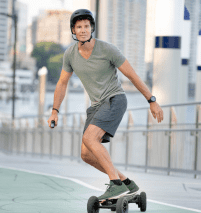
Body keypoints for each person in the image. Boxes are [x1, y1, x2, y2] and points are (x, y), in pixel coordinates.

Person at [47, 9, 164, 202]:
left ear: (91, 28)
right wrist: (54, 111)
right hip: (96, 106)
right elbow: (62, 83)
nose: (83, 30)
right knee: (86, 154)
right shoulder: (70, 54)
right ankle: (126, 183)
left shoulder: (107, 49)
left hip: (115, 99)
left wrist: (152, 100)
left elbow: (132, 75)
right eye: (79, 27)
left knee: (90, 137)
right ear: (73, 31)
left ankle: (115, 185)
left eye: (86, 26)